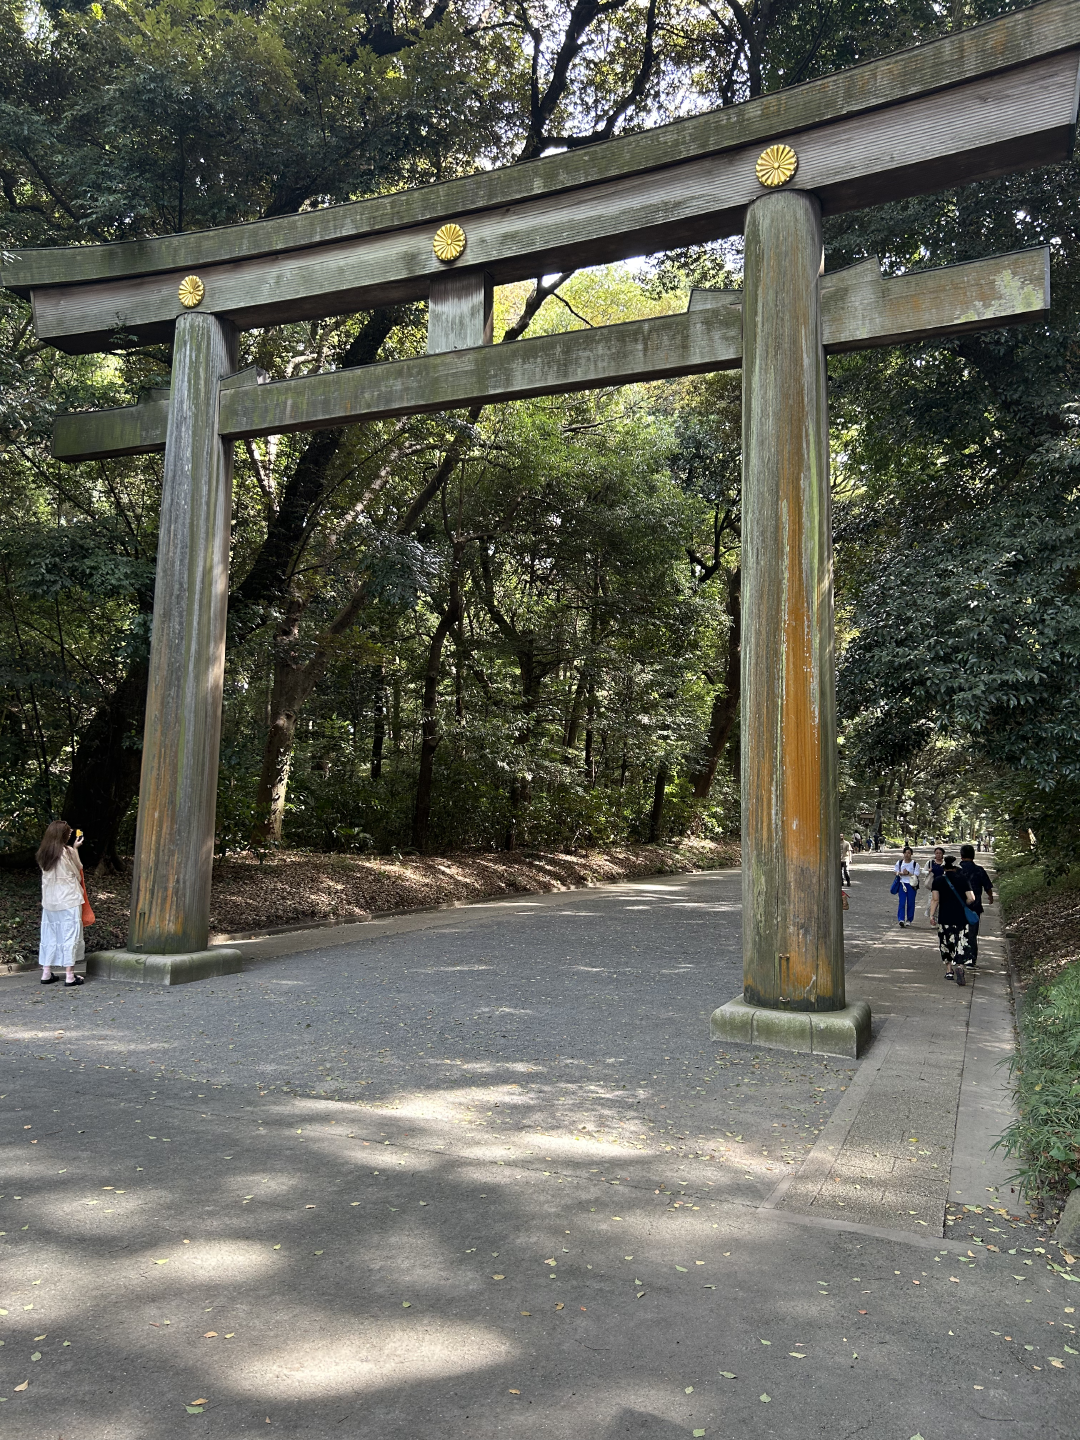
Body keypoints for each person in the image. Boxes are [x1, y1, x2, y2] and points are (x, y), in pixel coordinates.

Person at [36, 819, 86, 986]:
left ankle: (46, 972)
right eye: (68, 833)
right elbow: (78, 869)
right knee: (70, 934)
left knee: (49, 935)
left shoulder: (43, 853)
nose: (70, 835)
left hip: (50, 901)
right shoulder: (67, 852)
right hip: (69, 899)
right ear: (63, 835)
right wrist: (76, 849)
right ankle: (70, 975)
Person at [930, 854, 977, 984]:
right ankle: (960, 966)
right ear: (955, 868)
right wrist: (965, 904)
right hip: (961, 917)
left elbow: (935, 900)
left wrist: (932, 915)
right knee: (961, 941)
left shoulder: (938, 880)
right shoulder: (963, 879)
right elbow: (971, 898)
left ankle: (949, 971)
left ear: (944, 868)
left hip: (945, 917)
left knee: (946, 943)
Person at [958, 843, 994, 968]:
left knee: (959, 932)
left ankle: (960, 957)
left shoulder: (957, 871)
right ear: (973, 855)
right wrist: (990, 896)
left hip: (958, 907)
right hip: (975, 907)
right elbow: (988, 886)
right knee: (972, 934)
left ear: (961, 856)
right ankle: (971, 959)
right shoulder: (979, 870)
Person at [893, 845, 920, 927]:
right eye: (905, 853)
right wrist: (901, 873)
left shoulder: (915, 864)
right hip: (902, 884)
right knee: (902, 902)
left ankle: (909, 919)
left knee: (910, 903)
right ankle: (901, 919)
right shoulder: (900, 862)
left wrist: (908, 873)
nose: (907, 854)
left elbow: (916, 875)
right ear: (903, 853)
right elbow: (896, 872)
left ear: (911, 854)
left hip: (912, 885)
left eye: (909, 853)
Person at [923, 846, 945, 919]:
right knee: (932, 901)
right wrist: (928, 871)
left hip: (943, 885)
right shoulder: (930, 863)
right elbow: (923, 871)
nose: (938, 855)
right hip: (933, 885)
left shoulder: (945, 863)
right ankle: (932, 916)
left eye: (940, 853)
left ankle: (939, 917)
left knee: (941, 902)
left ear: (943, 854)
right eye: (937, 853)